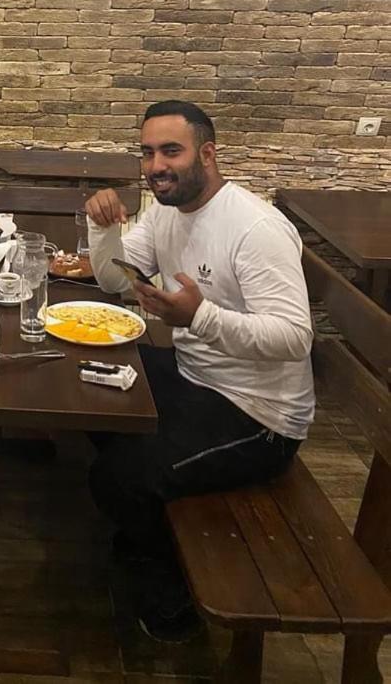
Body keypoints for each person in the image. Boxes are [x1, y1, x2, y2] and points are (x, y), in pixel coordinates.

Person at [85, 100, 314, 643]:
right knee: (96, 396)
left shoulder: (256, 227)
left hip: (259, 416)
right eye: (147, 153)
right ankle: (146, 522)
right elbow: (116, 281)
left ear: (207, 154)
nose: (156, 166)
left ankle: (174, 594)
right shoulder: (167, 210)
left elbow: (295, 337)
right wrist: (101, 228)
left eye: (171, 151)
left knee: (116, 475)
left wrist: (199, 317)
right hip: (195, 375)